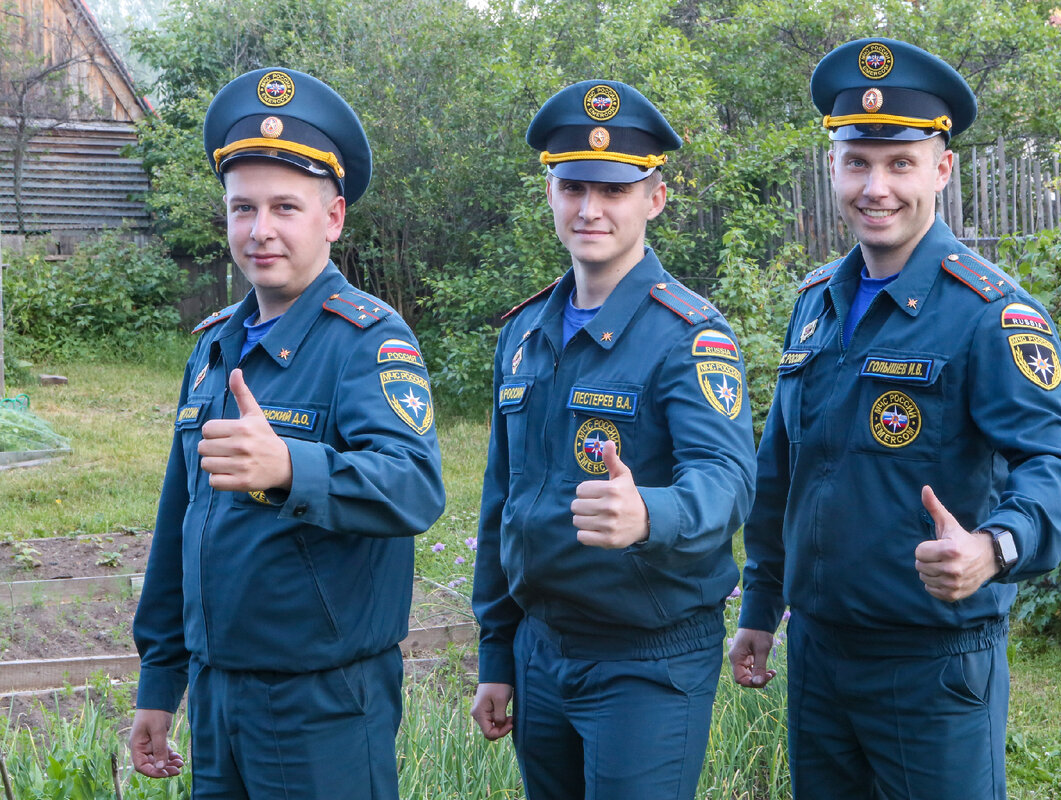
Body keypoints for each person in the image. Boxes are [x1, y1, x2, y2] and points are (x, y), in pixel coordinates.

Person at [729, 38, 1061, 799]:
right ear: (833, 167)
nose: (877, 187)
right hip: (819, 655)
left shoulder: (991, 313)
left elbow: (1056, 466)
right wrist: (761, 605)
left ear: (942, 169)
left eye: (901, 163)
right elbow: (781, 472)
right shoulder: (815, 302)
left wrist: (994, 547)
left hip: (933, 666)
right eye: (857, 162)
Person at [129, 67, 444, 799]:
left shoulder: (369, 341)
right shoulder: (215, 345)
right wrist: (160, 679)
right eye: (242, 208)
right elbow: (179, 521)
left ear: (332, 218)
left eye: (284, 207)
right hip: (216, 693)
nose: (259, 229)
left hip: (321, 703)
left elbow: (415, 488)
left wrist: (290, 468)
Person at [469, 79, 757, 800]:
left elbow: (727, 480)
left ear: (654, 198)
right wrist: (497, 652)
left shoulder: (690, 335)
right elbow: (503, 501)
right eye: (573, 187)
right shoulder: (524, 334)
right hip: (540, 651)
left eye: (614, 190)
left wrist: (649, 514)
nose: (590, 209)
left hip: (647, 660)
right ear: (550, 193)